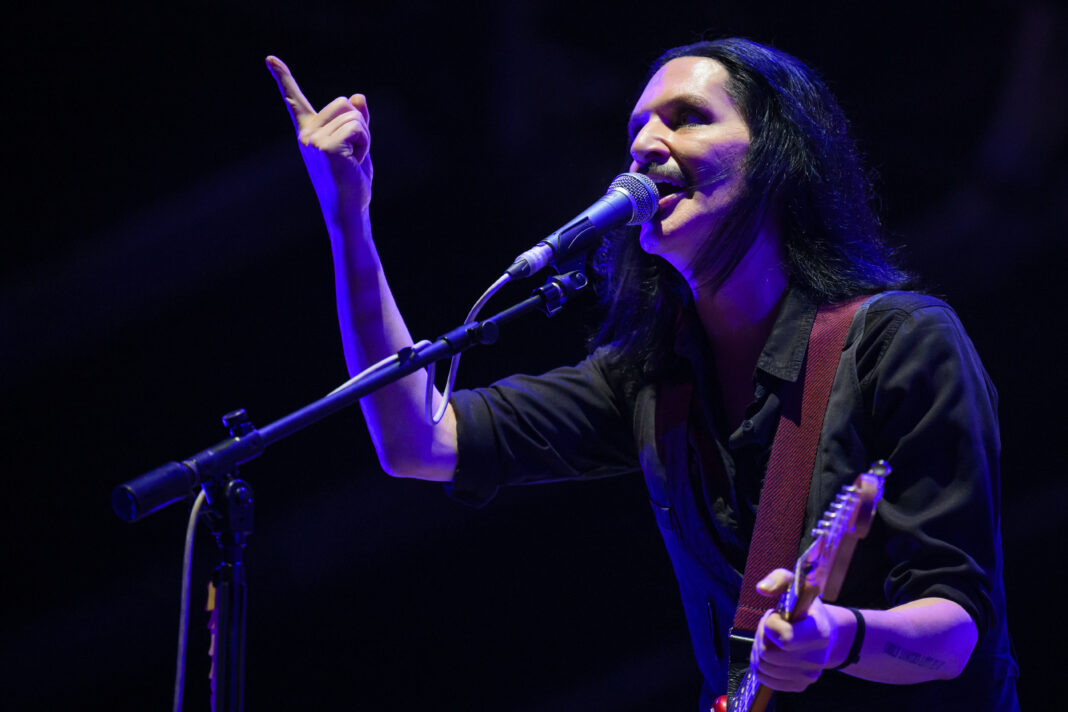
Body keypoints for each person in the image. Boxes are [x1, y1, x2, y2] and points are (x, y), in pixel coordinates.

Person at [265, 37, 1019, 710]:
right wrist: (348, 218)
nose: (646, 146)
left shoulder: (900, 343)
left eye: (687, 116)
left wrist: (837, 637)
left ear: (778, 159)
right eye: (635, 131)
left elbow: (953, 632)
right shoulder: (652, 381)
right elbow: (417, 443)